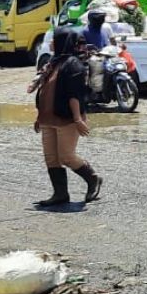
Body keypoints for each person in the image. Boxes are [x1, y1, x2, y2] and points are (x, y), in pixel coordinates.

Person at [29, 27, 103, 207]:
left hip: (67, 119)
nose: (52, 43)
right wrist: (39, 117)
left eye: (55, 40)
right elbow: (44, 92)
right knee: (51, 158)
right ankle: (60, 193)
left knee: (67, 156)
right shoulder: (53, 63)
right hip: (48, 118)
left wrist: (78, 119)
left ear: (63, 41)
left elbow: (74, 95)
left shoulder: (73, 64)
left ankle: (93, 178)